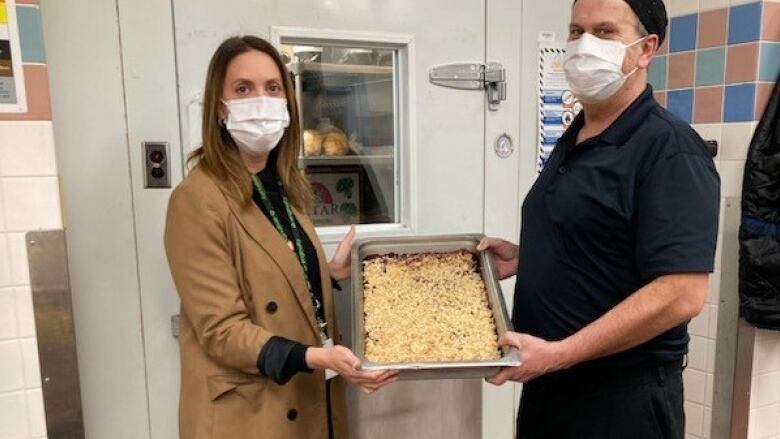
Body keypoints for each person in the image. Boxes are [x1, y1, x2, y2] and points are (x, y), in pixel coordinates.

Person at [481, 0, 720, 437]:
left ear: (646, 48)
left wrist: (559, 353)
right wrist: (526, 256)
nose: (584, 45)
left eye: (605, 31)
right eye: (576, 31)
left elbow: (681, 293)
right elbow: (597, 234)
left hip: (619, 404)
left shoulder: (669, 150)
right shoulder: (578, 136)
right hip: (550, 389)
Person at [164, 35, 397, 439]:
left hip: (305, 401)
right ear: (220, 109)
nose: (262, 101)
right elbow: (222, 330)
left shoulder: (285, 186)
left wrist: (327, 273)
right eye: (243, 89)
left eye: (273, 88)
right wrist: (314, 356)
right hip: (249, 416)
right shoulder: (196, 199)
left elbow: (274, 272)